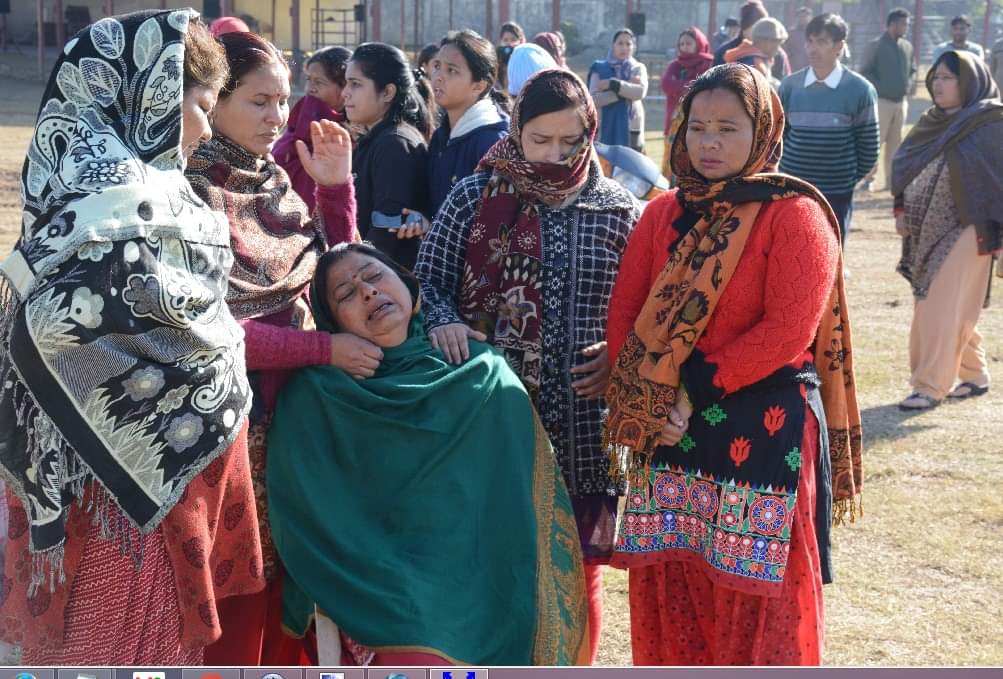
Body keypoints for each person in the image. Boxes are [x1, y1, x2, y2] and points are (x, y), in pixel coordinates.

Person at [0, 9, 265, 664]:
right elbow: (57, 329)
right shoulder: (114, 204)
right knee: (121, 654)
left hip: (138, 484)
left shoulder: (119, 190)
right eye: (199, 106)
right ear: (149, 101)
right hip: (118, 497)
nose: (207, 128)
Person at [604, 63, 862, 666]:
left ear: (763, 131)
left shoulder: (795, 214)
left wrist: (689, 391)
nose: (709, 143)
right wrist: (650, 402)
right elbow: (626, 315)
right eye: (698, 127)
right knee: (674, 587)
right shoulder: (663, 213)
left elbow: (788, 329)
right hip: (670, 432)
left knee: (762, 603)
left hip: (761, 427)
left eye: (728, 128)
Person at [266, 242, 590, 667]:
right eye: (346, 294)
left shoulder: (480, 371)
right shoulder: (319, 394)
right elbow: (308, 511)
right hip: (381, 579)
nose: (368, 292)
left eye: (374, 276)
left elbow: (518, 505)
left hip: (488, 571)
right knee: (418, 648)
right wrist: (380, 577)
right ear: (332, 322)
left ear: (406, 283)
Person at [415, 69, 640, 665]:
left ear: (591, 134)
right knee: (496, 559)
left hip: (585, 423)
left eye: (571, 141)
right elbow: (428, 285)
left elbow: (646, 308)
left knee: (578, 570)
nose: (555, 155)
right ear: (516, 131)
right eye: (540, 140)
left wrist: (620, 356)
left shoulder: (618, 209)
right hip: (492, 417)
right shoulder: (473, 196)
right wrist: (444, 321)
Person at [184, 30, 360, 665]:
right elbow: (209, 333)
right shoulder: (190, 191)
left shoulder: (274, 179)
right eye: (259, 102)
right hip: (228, 432)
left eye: (283, 101)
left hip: (298, 421)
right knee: (237, 596)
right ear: (215, 100)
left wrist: (335, 189)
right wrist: (321, 351)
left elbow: (344, 280)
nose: (277, 117)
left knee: (292, 589)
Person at [892, 51, 1003, 411]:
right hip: (927, 228)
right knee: (948, 303)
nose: (938, 85)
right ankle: (975, 374)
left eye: (947, 78)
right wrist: (900, 208)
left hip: (972, 227)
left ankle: (929, 386)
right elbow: (905, 166)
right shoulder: (932, 122)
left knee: (936, 305)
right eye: (935, 77)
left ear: (969, 81)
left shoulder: (991, 123)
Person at [779, 14, 879, 243]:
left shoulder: (860, 90)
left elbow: (869, 148)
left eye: (822, 42)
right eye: (810, 41)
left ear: (839, 46)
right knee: (790, 249)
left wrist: (845, 179)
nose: (813, 49)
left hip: (836, 194)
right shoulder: (790, 86)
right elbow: (778, 137)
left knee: (830, 250)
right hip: (792, 189)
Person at [343, 42, 432, 270]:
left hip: (385, 277)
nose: (345, 93)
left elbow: (386, 229)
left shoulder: (394, 145)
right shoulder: (377, 138)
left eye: (355, 84)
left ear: (387, 92)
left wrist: (354, 273)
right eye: (346, 83)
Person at [427, 30, 510, 217]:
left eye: (451, 70)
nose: (438, 76)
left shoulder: (493, 143)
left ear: (479, 85)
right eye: (437, 66)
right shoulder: (441, 136)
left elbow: (496, 220)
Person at [274, 46, 352, 212]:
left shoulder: (346, 138)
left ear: (344, 88)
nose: (310, 88)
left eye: (319, 82)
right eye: (308, 80)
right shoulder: (300, 120)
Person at [860, 7, 915, 192]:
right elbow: (865, 71)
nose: (906, 27)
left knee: (896, 145)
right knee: (875, 144)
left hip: (901, 103)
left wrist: (910, 83)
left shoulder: (907, 46)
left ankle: (892, 182)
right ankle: (868, 180)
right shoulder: (876, 45)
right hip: (881, 103)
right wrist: (881, 88)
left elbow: (912, 70)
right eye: (903, 24)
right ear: (892, 24)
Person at [660, 28, 714, 177]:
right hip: (675, 124)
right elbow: (666, 85)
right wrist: (690, 86)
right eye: (681, 44)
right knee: (672, 159)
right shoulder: (675, 65)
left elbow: (705, 87)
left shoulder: (708, 65)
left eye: (688, 43)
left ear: (699, 44)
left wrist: (679, 87)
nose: (684, 47)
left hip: (700, 122)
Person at [589, 28, 649, 151]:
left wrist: (613, 84)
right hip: (604, 129)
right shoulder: (598, 68)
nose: (624, 48)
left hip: (632, 130)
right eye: (620, 43)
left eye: (628, 44)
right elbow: (593, 100)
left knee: (630, 162)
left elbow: (640, 92)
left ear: (633, 47)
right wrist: (625, 90)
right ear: (613, 45)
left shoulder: (638, 68)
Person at [725, 17, 788, 86]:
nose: (778, 49)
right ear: (764, 41)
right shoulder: (756, 64)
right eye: (776, 43)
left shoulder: (744, 56)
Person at [714, 1, 766, 66]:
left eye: (762, 28)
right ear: (745, 27)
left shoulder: (769, 50)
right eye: (755, 27)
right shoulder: (724, 51)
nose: (759, 32)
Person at [786, 6, 813, 72]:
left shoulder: (815, 34)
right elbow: (786, 50)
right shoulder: (791, 33)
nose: (802, 18)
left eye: (805, 16)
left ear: (810, 17)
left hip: (810, 68)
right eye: (800, 16)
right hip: (793, 69)